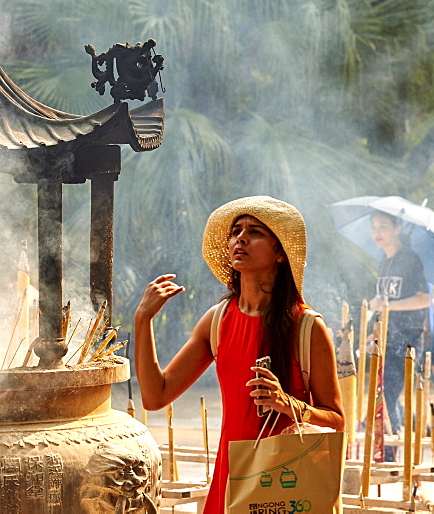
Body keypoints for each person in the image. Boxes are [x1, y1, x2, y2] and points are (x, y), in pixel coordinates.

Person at [134, 196, 344, 513]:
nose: (240, 238)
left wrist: (290, 405)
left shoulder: (307, 327)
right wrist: (143, 321)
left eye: (256, 232)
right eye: (236, 231)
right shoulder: (217, 320)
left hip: (287, 486)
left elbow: (337, 421)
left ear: (280, 254)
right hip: (231, 479)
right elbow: (155, 395)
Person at [368, 211, 434, 433]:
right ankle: (402, 437)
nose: (377, 232)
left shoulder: (409, 259)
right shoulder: (386, 260)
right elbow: (393, 300)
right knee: (391, 390)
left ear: (398, 229)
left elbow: (424, 299)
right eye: (374, 227)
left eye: (383, 227)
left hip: (415, 333)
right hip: (394, 333)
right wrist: (375, 327)